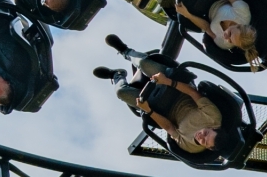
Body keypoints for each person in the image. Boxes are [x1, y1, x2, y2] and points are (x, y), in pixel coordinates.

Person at [92, 34, 238, 155]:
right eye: (206, 133)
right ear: (213, 128)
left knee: (121, 92)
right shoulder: (213, 117)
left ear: (207, 147)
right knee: (144, 64)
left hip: (162, 109)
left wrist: (148, 110)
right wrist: (167, 81)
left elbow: (169, 128)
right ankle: (125, 51)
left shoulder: (191, 147)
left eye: (204, 142)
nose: (201, 137)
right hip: (177, 90)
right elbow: (192, 92)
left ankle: (117, 75)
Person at [175, 0, 260, 71]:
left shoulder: (224, 44)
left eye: (231, 41)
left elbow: (206, 27)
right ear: (239, 25)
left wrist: (187, 14)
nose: (226, 37)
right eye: (230, 33)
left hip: (203, 12)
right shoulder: (243, 13)